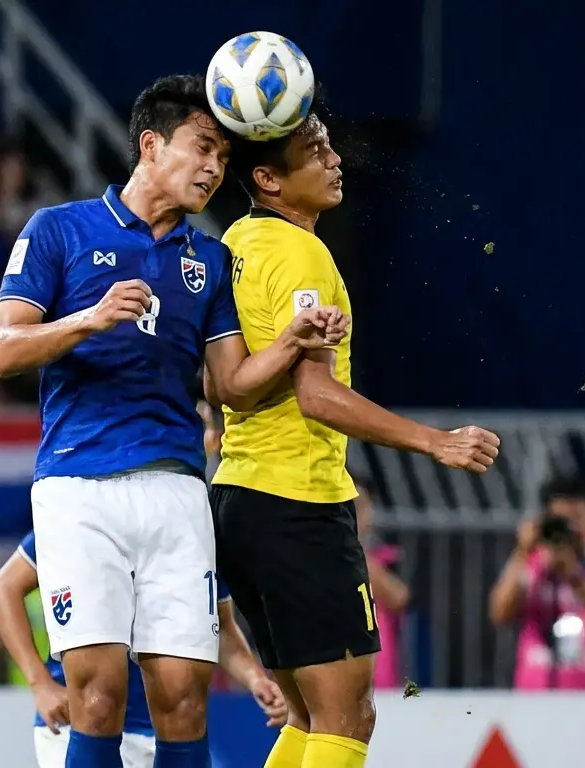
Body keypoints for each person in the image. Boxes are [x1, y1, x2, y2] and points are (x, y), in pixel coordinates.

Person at [0, 74, 347, 767]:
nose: (215, 168)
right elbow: (4, 351)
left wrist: (293, 341)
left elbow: (231, 387)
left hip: (177, 489)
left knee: (183, 697)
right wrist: (89, 319)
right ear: (151, 146)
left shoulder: (209, 262)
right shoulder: (58, 230)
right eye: (202, 148)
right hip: (78, 485)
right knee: (97, 692)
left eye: (222, 156)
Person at [208, 92, 500, 768]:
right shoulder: (304, 258)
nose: (337, 159)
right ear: (269, 179)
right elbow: (316, 394)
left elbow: (221, 379)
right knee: (348, 715)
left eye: (330, 144)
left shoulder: (235, 244)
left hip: (239, 502)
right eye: (315, 151)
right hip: (298, 502)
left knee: (310, 717)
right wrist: (434, 441)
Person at [0, 530, 287, 768]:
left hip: (164, 734)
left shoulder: (196, 528)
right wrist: (40, 685)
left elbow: (218, 625)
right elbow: (3, 590)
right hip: (77, 724)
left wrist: (254, 678)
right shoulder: (81, 514)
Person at [488, 473, 585, 691]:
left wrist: (574, 575)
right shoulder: (532, 562)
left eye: (578, 518)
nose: (571, 529)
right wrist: (522, 551)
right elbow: (500, 613)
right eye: (562, 521)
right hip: (536, 694)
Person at [351, 478, 411, 689]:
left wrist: (348, 543)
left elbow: (398, 598)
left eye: (357, 506)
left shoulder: (388, 558)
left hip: (381, 685)